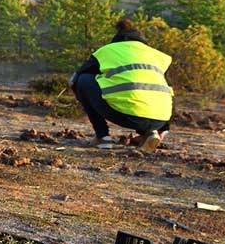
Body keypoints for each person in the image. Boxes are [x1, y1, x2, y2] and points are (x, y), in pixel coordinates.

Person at [70, 18, 173, 152]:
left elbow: (74, 80)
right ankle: (151, 133)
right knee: (158, 90)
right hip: (160, 119)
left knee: (83, 79)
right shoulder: (158, 56)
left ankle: (102, 137)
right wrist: (163, 128)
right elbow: (169, 92)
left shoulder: (107, 50)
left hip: (125, 115)